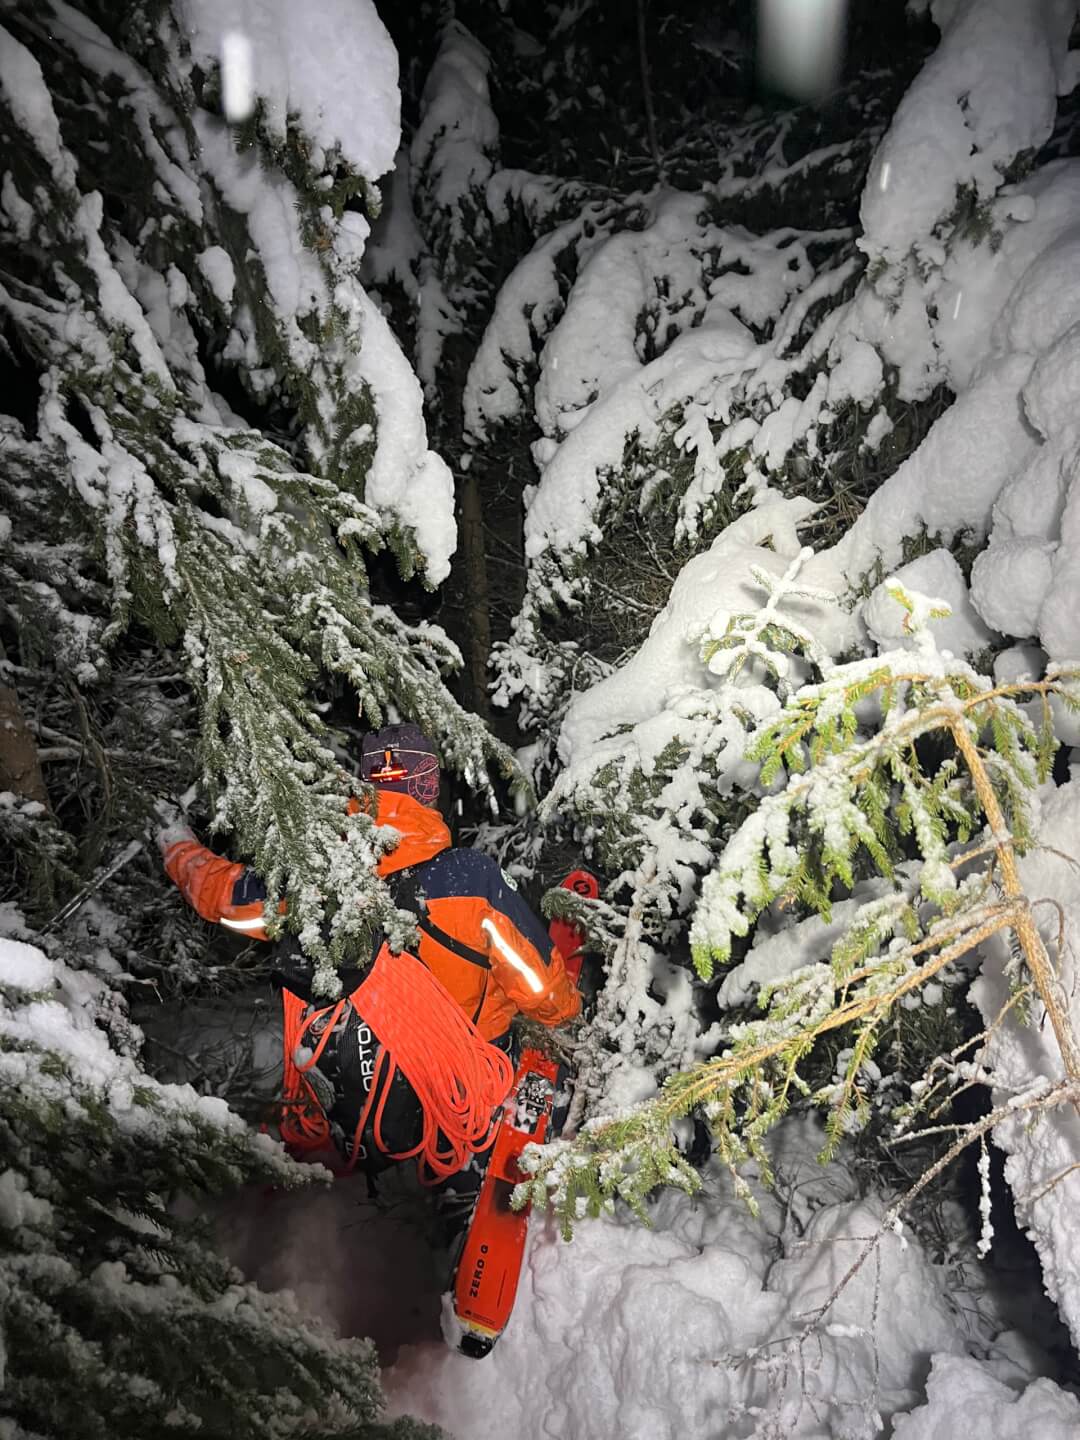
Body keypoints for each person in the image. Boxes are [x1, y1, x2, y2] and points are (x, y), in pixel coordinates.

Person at [158, 724, 581, 1189]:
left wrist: (176, 846)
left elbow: (225, 897)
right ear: (426, 786)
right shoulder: (469, 879)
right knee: (528, 1060)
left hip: (375, 1083)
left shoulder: (318, 878)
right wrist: (566, 1009)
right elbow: (545, 994)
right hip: (464, 1089)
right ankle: (472, 1187)